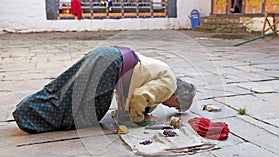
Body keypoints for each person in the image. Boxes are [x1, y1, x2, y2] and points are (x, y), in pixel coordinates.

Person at [12, 46, 196, 133]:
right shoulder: (169, 85)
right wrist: (139, 121)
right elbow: (139, 97)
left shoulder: (166, 75)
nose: (171, 108)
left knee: (65, 89)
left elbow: (140, 94)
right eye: (175, 107)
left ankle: (28, 109)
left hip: (108, 54)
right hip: (111, 65)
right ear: (177, 97)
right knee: (78, 109)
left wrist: (142, 113)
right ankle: (28, 114)